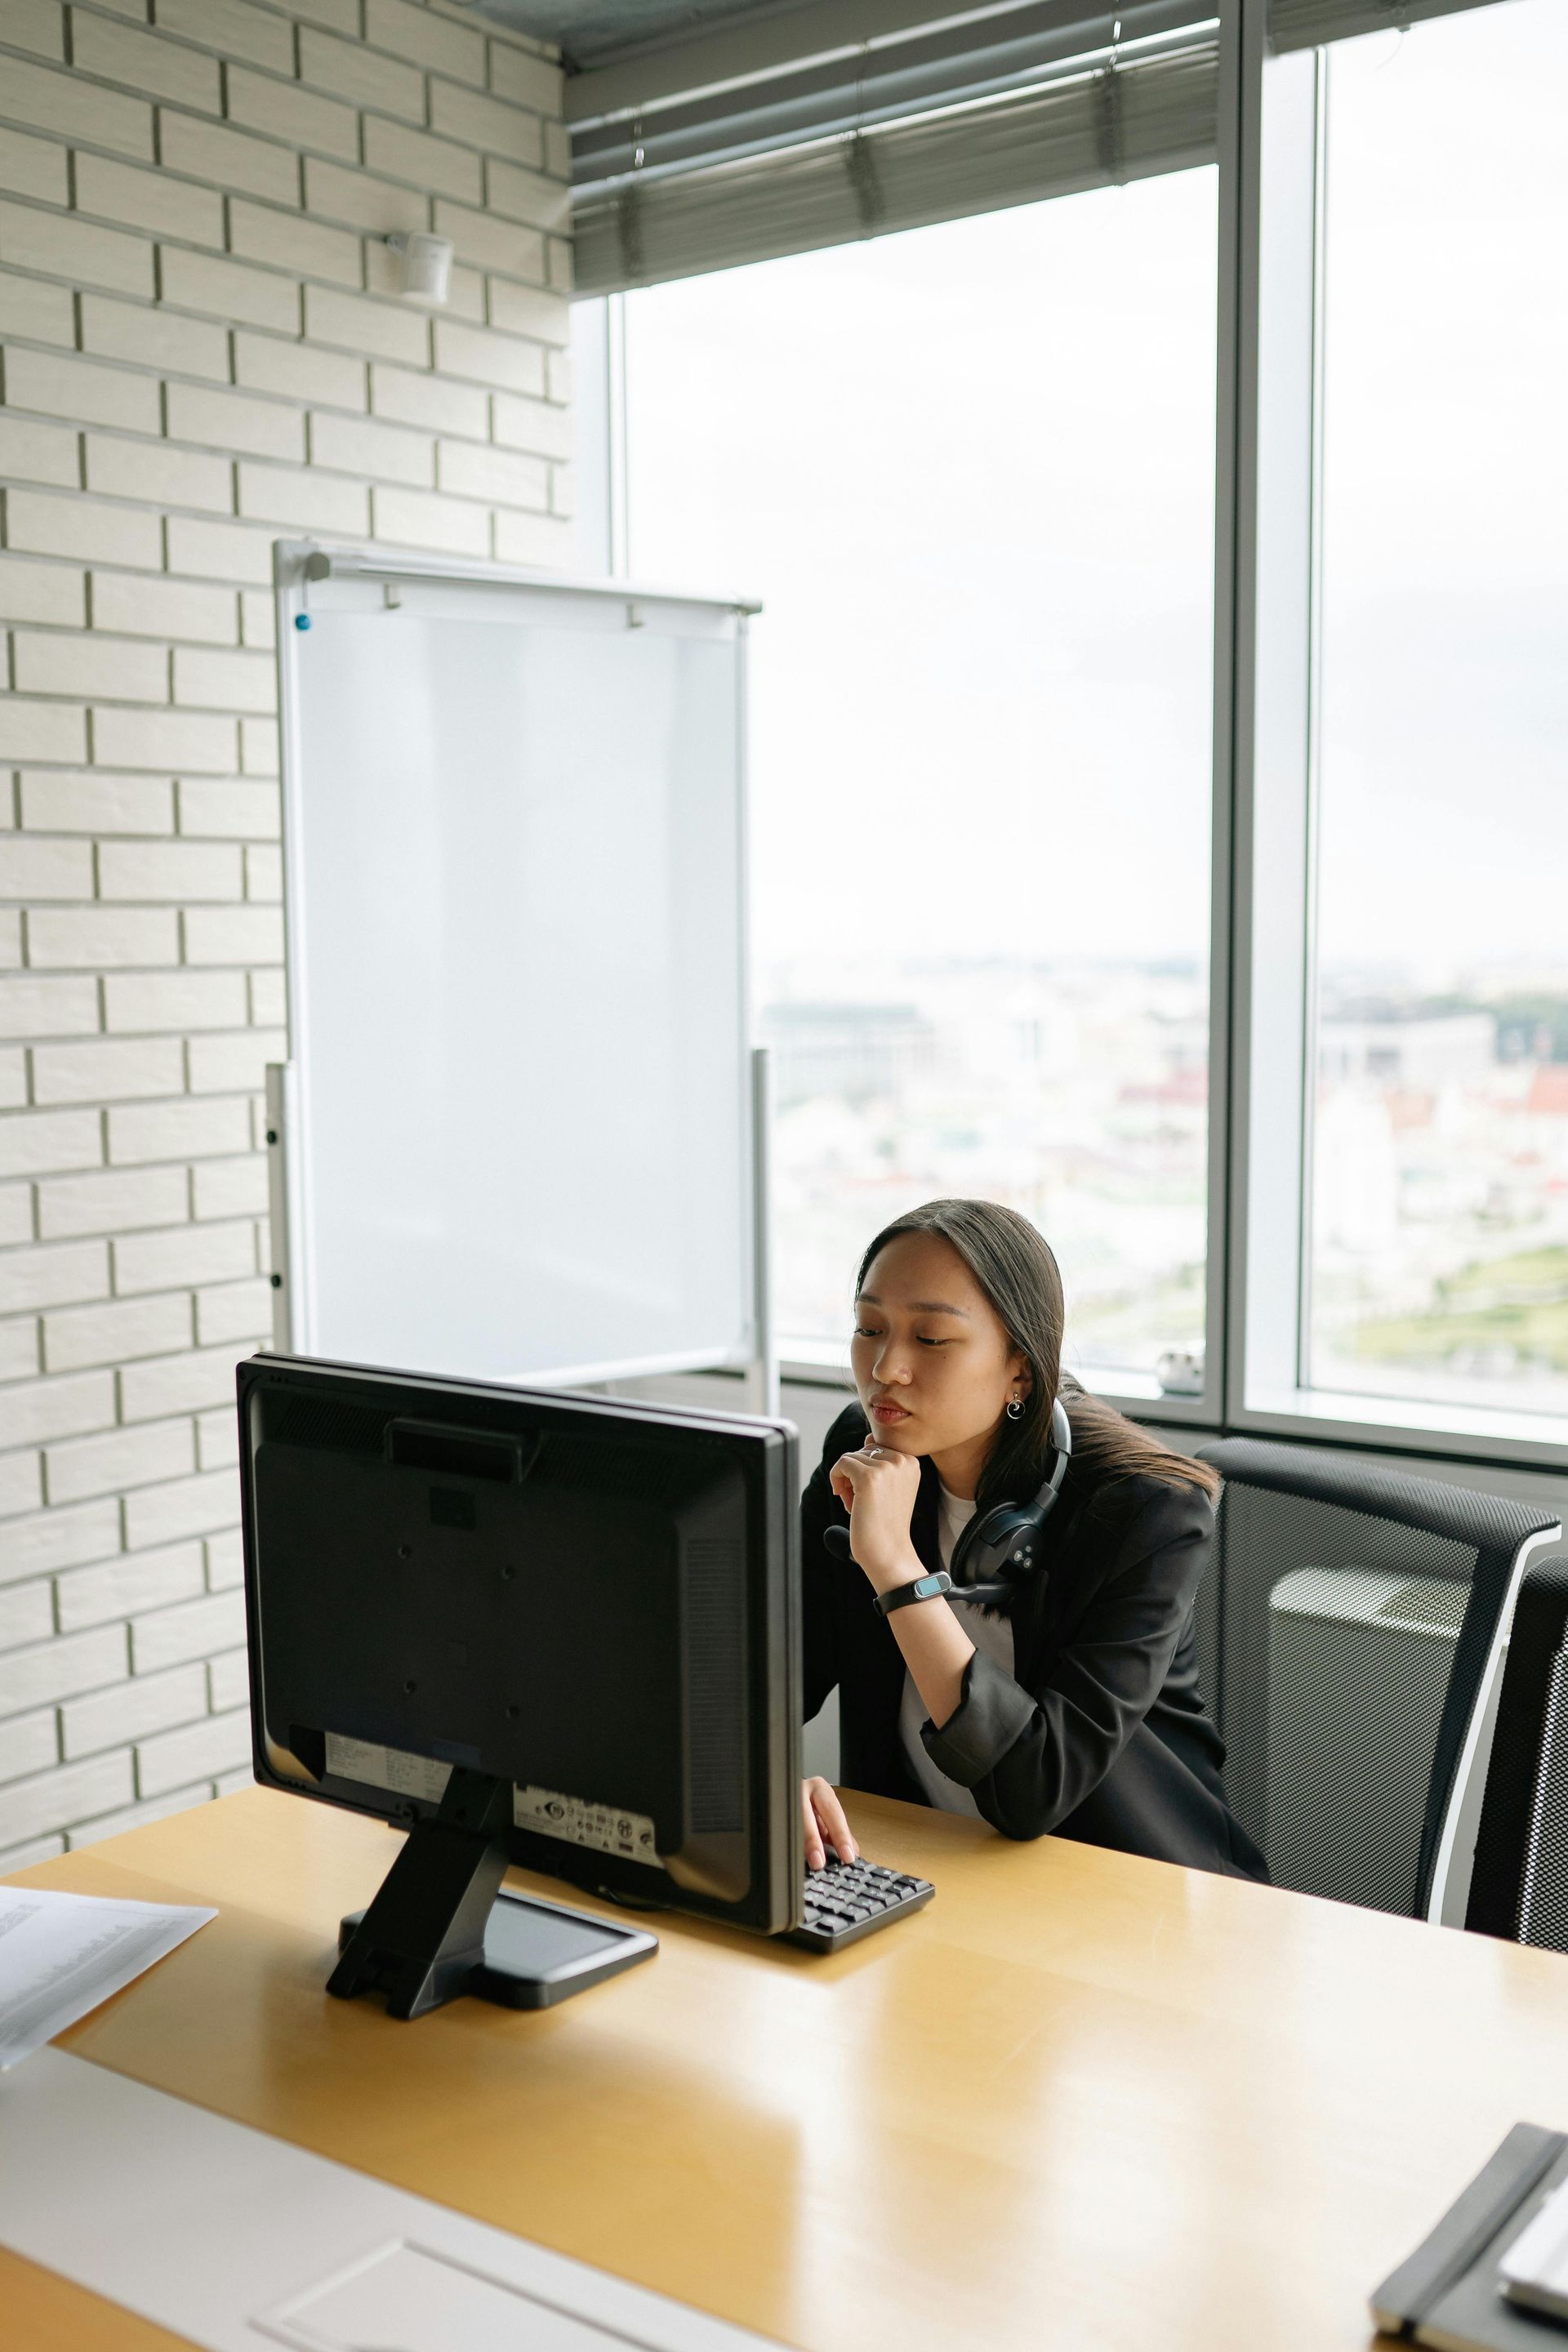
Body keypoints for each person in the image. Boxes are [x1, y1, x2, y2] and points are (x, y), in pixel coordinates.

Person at [799, 1197, 1266, 1882]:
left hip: (1122, 1892)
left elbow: (1032, 1790)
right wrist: (762, 1775)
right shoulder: (861, 1454)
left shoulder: (1147, 1512)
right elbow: (767, 1675)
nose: (885, 1369)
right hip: (922, 1868)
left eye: (930, 1339)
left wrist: (897, 1570)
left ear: (1021, 1368)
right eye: (870, 1328)